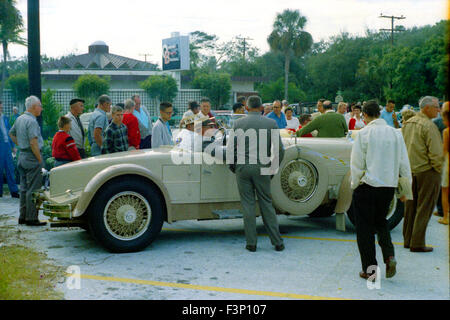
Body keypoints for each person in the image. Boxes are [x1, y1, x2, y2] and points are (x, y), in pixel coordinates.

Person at [350, 100, 411, 280]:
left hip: (367, 186)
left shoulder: (363, 134)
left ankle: (370, 270)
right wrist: (405, 190)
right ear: (379, 112)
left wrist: (355, 184)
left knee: (365, 230)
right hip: (388, 187)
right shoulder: (395, 134)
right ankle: (389, 255)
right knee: (381, 222)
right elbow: (404, 163)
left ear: (365, 115)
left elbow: (356, 164)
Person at [229, 95, 285, 252]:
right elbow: (279, 150)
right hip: (263, 167)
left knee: (248, 205)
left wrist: (234, 166)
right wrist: (273, 168)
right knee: (266, 203)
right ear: (261, 108)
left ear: (246, 108)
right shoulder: (271, 123)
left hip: (243, 168)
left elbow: (231, 148)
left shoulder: (238, 123)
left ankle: (251, 243)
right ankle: (277, 242)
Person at [402, 96, 443, 252]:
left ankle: (408, 240)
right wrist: (439, 170)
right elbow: (436, 154)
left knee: (410, 207)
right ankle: (417, 243)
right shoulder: (428, 126)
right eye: (436, 107)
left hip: (410, 170)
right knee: (424, 208)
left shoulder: (408, 123)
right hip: (427, 172)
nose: (438, 109)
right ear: (426, 108)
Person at [9, 96, 46, 226]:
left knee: (24, 188)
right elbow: (33, 142)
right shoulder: (32, 121)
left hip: (22, 156)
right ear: (33, 106)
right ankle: (32, 218)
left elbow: (11, 134)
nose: (41, 108)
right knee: (34, 189)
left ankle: (23, 216)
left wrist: (20, 145)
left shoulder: (19, 119)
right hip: (31, 157)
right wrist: (39, 159)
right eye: (40, 105)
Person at [0, 100, 19, 198]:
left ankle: (14, 191)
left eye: (1, 108)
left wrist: (13, 146)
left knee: (10, 168)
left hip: (7, 146)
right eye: (0, 107)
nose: (1, 109)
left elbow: (9, 132)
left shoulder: (5, 118)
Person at [438, 102, 449, 225]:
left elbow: (444, 150)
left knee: (444, 190)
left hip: (448, 163)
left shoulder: (446, 131)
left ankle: (446, 216)